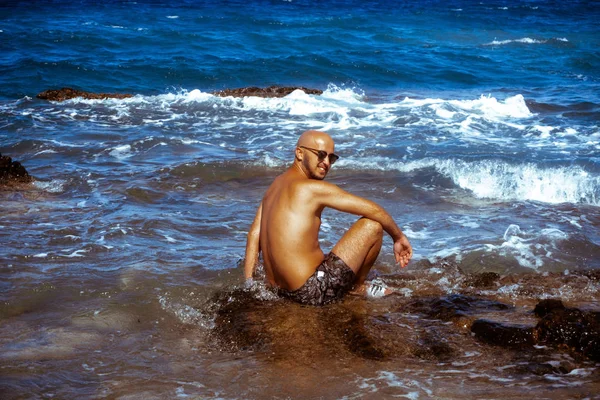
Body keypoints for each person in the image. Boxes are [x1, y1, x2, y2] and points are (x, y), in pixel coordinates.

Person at [244, 130, 412, 306]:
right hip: (310, 292)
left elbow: (253, 236)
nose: (326, 163)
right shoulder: (311, 188)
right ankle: (357, 287)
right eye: (321, 155)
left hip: (277, 290)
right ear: (299, 153)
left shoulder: (275, 186)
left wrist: (250, 285)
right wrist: (398, 237)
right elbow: (374, 210)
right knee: (372, 226)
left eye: (331, 158)